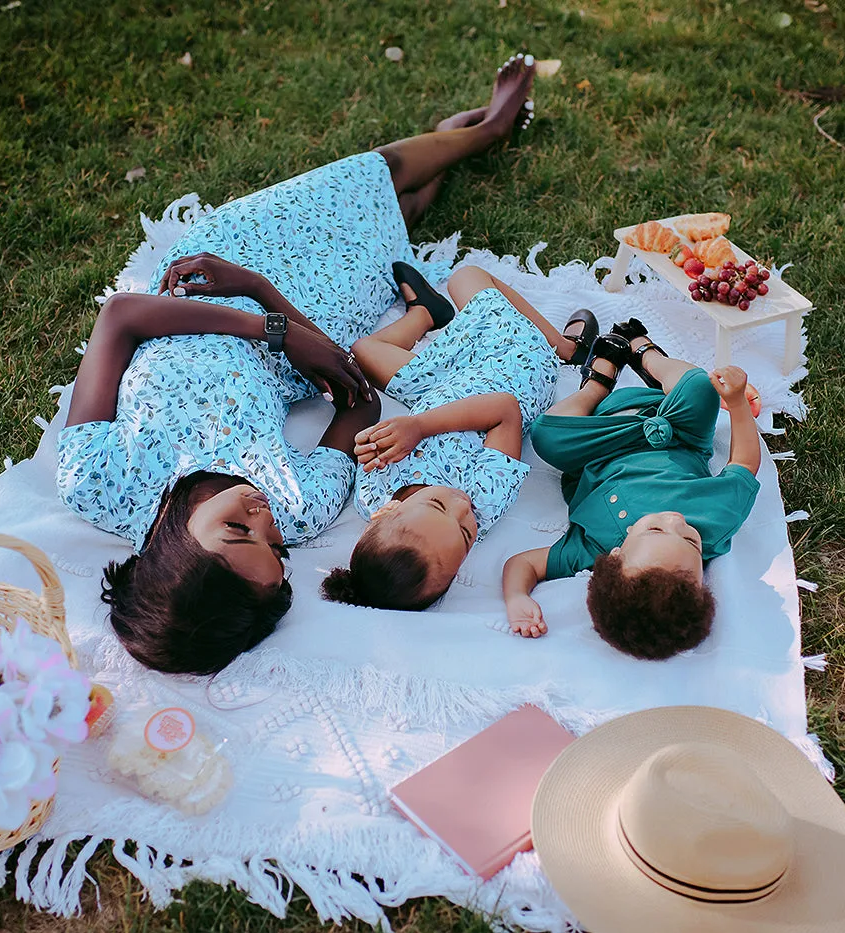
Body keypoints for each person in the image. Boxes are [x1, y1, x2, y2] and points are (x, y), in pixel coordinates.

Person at [57, 56, 538, 674]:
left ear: (171, 548)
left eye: (236, 528)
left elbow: (122, 317)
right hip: (299, 323)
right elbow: (359, 399)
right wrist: (269, 303)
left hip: (210, 281)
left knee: (375, 174)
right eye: (275, 546)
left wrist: (262, 313)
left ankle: (484, 131)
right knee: (395, 226)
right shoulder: (300, 507)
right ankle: (451, 146)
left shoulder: (97, 482)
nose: (260, 515)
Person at [321, 264, 598, 610]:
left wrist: (372, 438)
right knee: (466, 278)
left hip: (443, 384)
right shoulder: (484, 498)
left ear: (387, 512)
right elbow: (505, 411)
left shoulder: (371, 493)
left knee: (363, 350)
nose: (461, 507)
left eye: (438, 505)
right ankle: (564, 348)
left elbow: (374, 440)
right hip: (511, 370)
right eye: (467, 536)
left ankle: (425, 314)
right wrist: (418, 427)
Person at [500, 321, 762, 658]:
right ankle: (646, 354)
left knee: (546, 434)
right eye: (691, 541)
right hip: (675, 432)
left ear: (615, 556)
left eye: (655, 529)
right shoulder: (718, 521)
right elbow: (744, 464)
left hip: (601, 440)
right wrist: (738, 403)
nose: (675, 520)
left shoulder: (590, 547)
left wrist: (516, 597)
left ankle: (596, 383)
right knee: (701, 386)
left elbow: (525, 564)